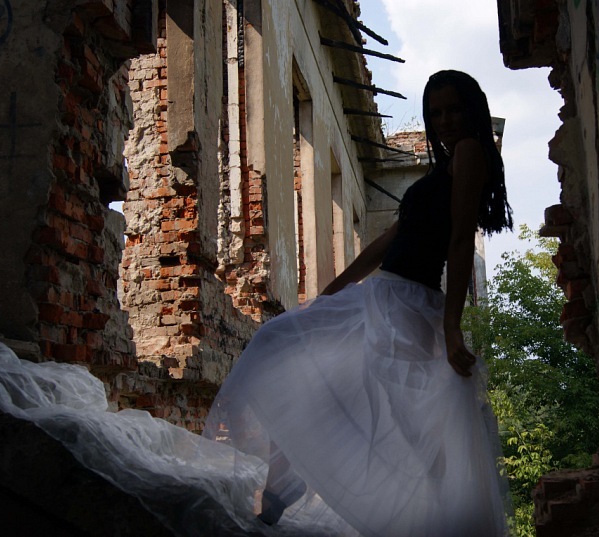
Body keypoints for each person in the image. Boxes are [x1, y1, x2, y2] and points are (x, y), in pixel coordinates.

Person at [202, 70, 514, 537]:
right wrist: (332, 292)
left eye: (454, 109)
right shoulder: (444, 168)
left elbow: (460, 241)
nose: (445, 120)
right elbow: (389, 239)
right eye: (436, 113)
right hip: (386, 298)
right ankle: (281, 491)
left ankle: (435, 523)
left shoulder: (469, 153)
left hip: (409, 306)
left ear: (471, 111)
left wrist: (452, 326)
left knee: (407, 428)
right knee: (311, 372)